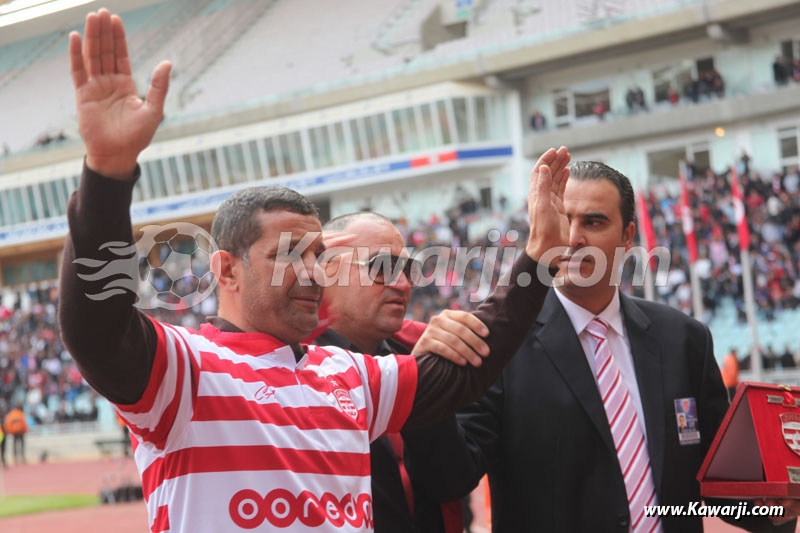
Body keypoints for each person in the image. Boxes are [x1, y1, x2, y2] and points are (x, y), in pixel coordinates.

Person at [60, 10, 569, 531]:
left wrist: (539, 258)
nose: (310, 272)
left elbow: (464, 374)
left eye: (317, 254)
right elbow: (97, 327)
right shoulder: (184, 370)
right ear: (226, 270)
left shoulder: (348, 374)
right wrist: (107, 174)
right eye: (287, 253)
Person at [403, 161, 798, 532]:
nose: (574, 238)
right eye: (563, 220)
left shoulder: (684, 338)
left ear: (627, 237)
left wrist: (776, 509)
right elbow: (450, 476)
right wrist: (426, 384)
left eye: (594, 222)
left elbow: (717, 488)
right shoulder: (502, 345)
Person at [316, 211, 490, 532]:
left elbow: (452, 482)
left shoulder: (422, 353)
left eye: (408, 269)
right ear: (327, 272)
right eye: (382, 267)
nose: (402, 283)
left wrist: (421, 384)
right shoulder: (290, 372)